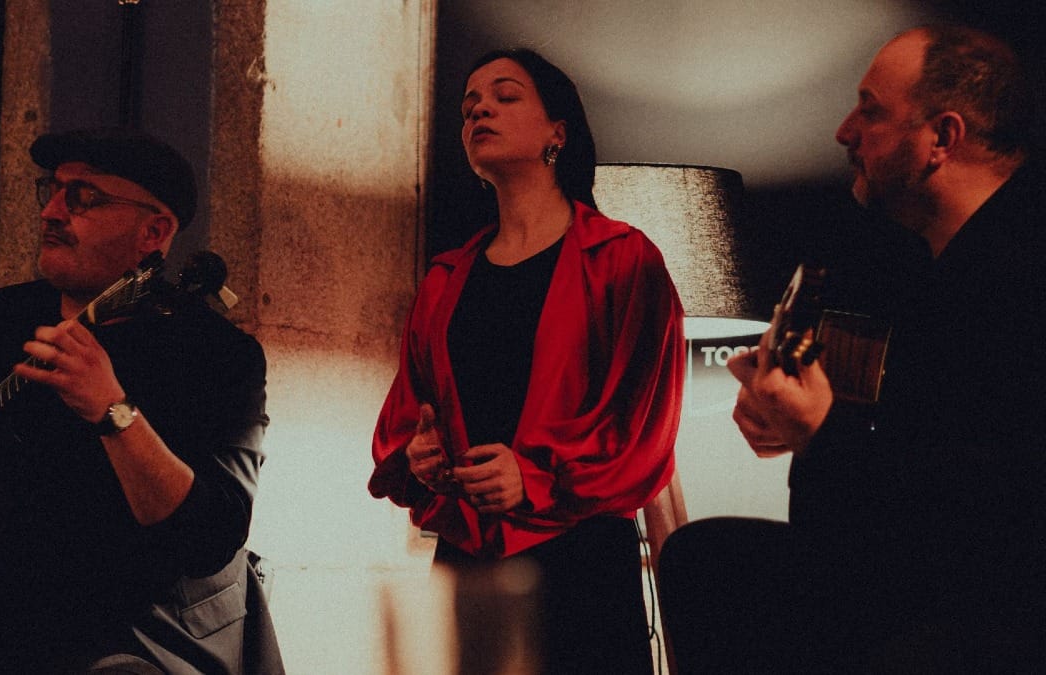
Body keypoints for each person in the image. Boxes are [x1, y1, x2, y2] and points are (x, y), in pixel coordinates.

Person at [658, 24, 1046, 673]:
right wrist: (801, 428)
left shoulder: (1017, 278)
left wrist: (818, 428)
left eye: (871, 110)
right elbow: (891, 491)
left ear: (941, 140)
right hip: (924, 582)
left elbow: (972, 530)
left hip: (989, 610)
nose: (843, 131)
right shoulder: (931, 266)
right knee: (708, 556)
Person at [0, 127, 281, 674]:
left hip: (113, 637)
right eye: (51, 190)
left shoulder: (215, 357)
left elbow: (208, 537)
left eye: (84, 198)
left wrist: (113, 411)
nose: (52, 211)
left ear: (155, 231)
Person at [369, 48, 686, 674]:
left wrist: (535, 476)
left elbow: (646, 431)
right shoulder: (444, 277)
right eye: (468, 107)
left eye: (505, 96)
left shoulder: (625, 259)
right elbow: (406, 417)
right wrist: (419, 456)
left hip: (581, 559)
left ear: (557, 133)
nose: (479, 109)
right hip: (469, 558)